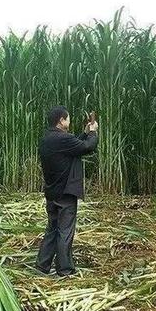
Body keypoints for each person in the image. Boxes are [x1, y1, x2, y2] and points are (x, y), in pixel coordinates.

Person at [35, 106, 99, 277]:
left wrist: (84, 133)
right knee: (65, 231)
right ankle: (64, 270)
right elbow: (87, 148)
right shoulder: (62, 139)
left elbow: (74, 147)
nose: (69, 122)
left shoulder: (47, 139)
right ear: (61, 121)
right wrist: (93, 132)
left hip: (52, 192)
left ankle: (42, 266)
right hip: (65, 193)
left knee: (53, 229)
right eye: (68, 119)